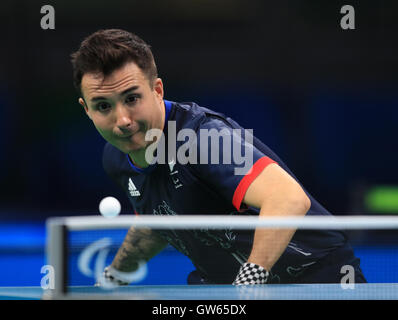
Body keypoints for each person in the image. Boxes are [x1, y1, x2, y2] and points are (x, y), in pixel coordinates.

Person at [70, 29, 366, 285]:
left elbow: (288, 199)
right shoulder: (117, 158)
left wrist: (248, 285)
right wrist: (112, 279)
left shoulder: (203, 139)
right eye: (104, 106)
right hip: (224, 288)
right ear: (86, 109)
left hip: (315, 280)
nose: (122, 120)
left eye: (132, 99)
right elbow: (159, 220)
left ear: (157, 90)